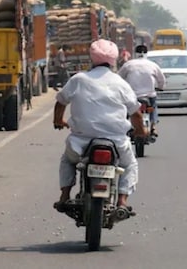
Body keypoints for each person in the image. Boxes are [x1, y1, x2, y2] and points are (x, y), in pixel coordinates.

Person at [52, 39, 146, 211]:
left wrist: (58, 121)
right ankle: (122, 201)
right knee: (130, 165)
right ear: (114, 59)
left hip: (80, 143)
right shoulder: (120, 83)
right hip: (116, 143)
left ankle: (64, 196)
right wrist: (141, 132)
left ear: (92, 57)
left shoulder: (78, 79)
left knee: (67, 161)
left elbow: (60, 102)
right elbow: (136, 114)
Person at [117, 44, 166, 137]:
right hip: (149, 96)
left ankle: (126, 126)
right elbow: (162, 80)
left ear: (135, 53)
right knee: (153, 107)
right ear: (146, 53)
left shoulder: (128, 64)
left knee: (126, 110)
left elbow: (118, 78)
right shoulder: (153, 65)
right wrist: (161, 87)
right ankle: (153, 127)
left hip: (132, 96)